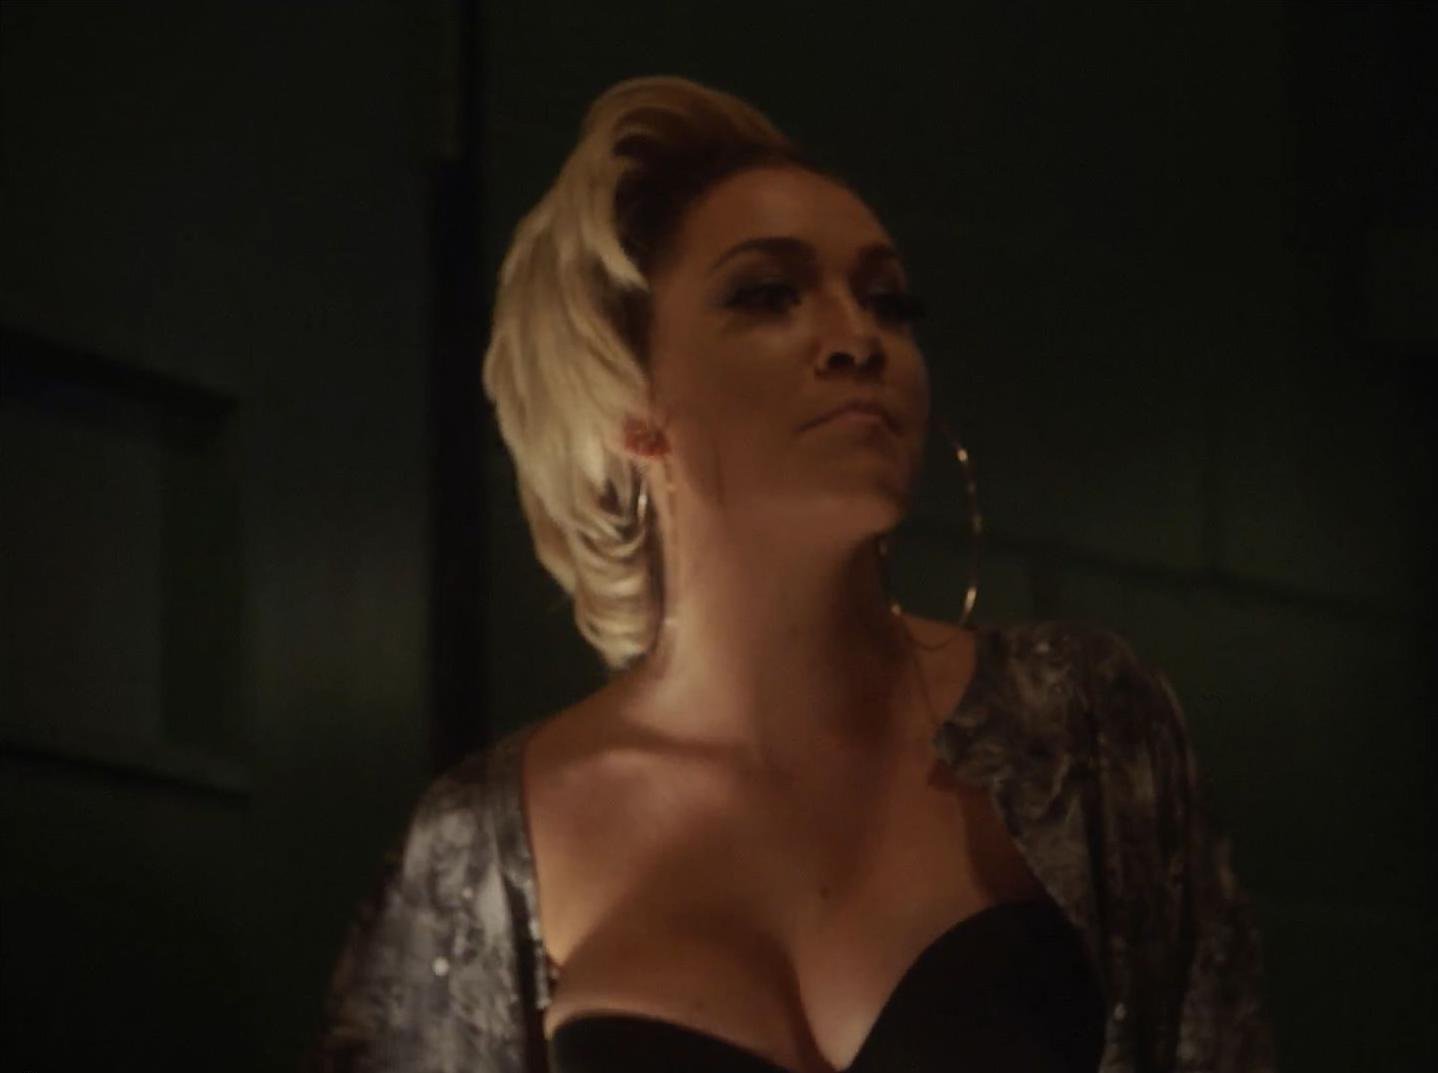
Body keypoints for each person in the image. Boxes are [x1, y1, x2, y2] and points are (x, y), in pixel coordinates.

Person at [306, 75, 1276, 1073]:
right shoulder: (482, 848)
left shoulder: (1075, 727)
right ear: (628, 398)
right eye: (768, 294)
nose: (858, 340)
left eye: (889, 302)